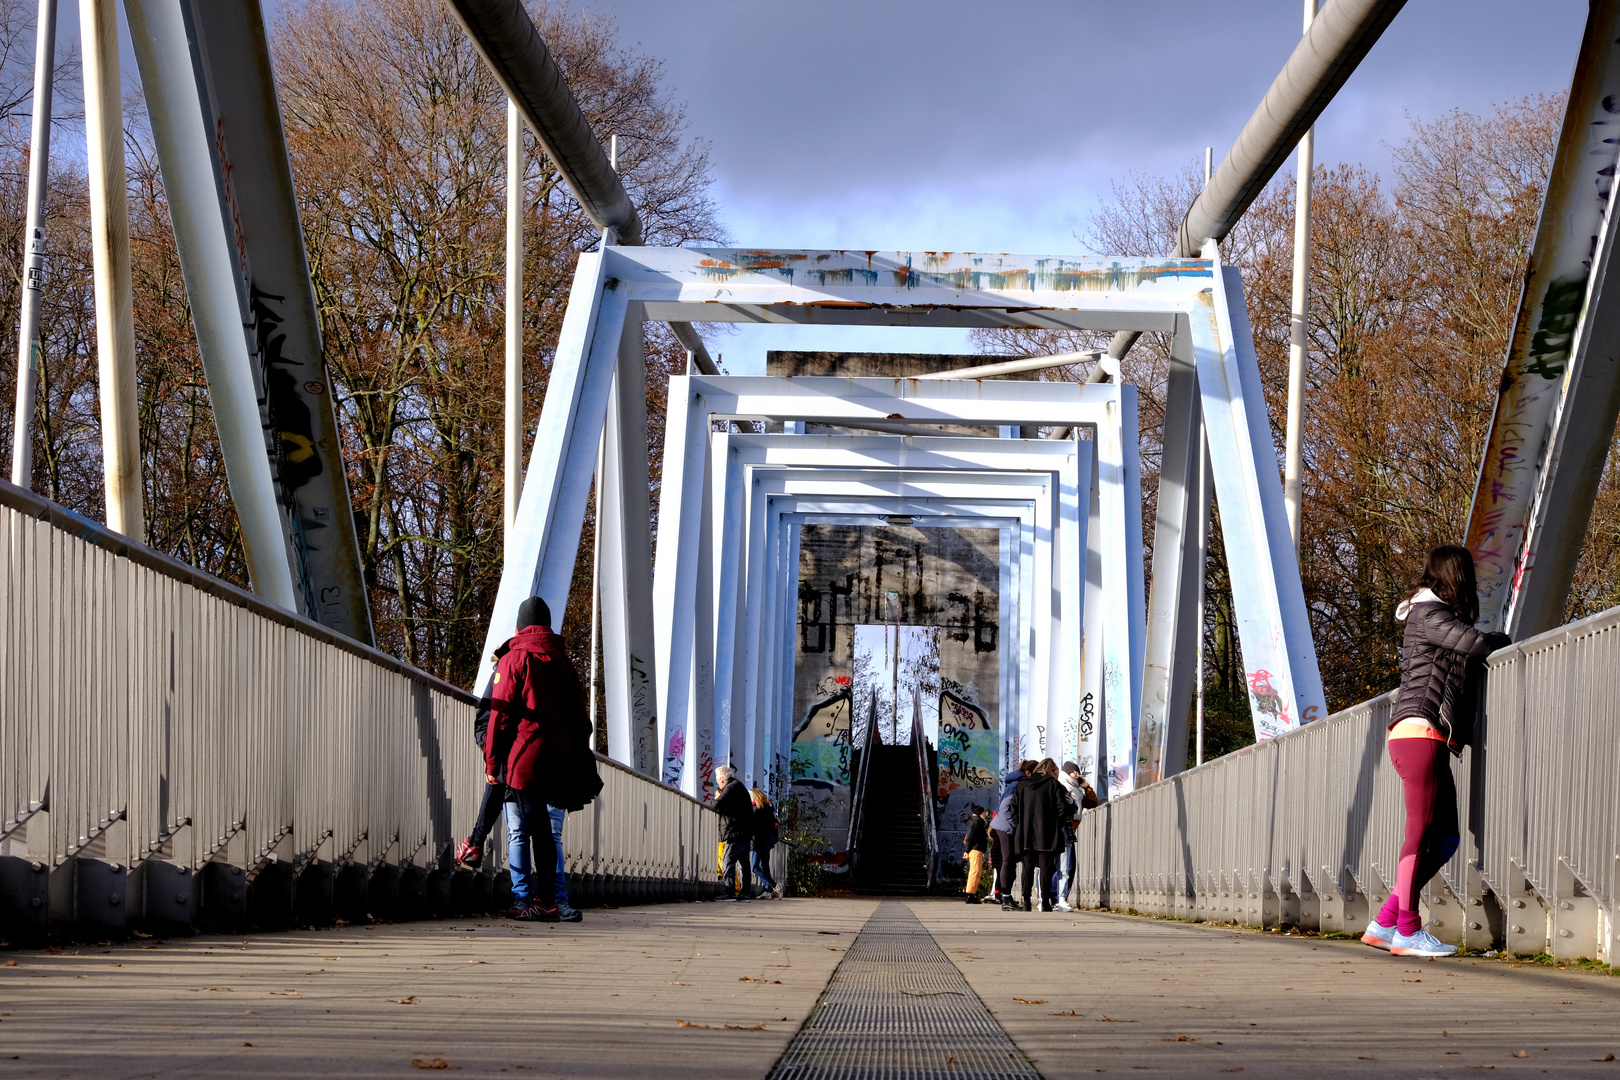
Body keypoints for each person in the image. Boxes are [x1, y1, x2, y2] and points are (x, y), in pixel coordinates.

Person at [1360, 545, 1508, 958]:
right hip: (1419, 734)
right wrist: (1501, 638)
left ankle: (1384, 922)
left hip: (1427, 737)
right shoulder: (1430, 614)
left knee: (1444, 839)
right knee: (1419, 838)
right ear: (1458, 576)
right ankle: (1408, 931)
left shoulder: (1429, 614)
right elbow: (1475, 644)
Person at [482, 596, 602, 921]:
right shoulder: (563, 661)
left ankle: (540, 901)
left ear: (520, 625)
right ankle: (548, 899)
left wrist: (493, 763)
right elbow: (581, 716)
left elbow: (500, 715)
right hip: (559, 759)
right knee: (545, 831)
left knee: (529, 828)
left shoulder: (513, 659)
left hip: (526, 758)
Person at [1011, 758, 1069, 912]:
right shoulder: (1053, 784)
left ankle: (1026, 902)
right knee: (1046, 868)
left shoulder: (1022, 785)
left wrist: (1021, 825)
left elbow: (1014, 809)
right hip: (1047, 834)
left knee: (1027, 868)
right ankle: (1045, 903)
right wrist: (1057, 826)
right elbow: (1062, 809)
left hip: (1026, 833)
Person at [989, 761, 1033, 911]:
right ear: (1029, 773)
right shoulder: (1018, 784)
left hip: (1003, 825)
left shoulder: (1014, 782)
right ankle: (1005, 897)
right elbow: (1006, 806)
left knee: (1011, 861)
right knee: (1008, 860)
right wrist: (1014, 825)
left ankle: (1006, 897)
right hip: (1006, 826)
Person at [712, 766, 753, 900]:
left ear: (722, 779)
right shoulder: (738, 786)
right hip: (744, 830)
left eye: (718, 780)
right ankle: (745, 892)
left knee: (727, 861)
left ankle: (729, 891)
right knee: (744, 863)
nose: (718, 782)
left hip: (736, 831)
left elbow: (717, 804)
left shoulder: (730, 787)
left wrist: (710, 802)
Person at [750, 788, 779, 898]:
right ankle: (768, 889)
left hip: (759, 841)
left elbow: (754, 825)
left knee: (755, 867)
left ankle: (773, 885)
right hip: (767, 840)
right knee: (764, 865)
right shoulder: (767, 809)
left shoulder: (755, 809)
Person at [962, 804, 991, 903]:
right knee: (975, 872)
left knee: (976, 872)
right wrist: (967, 850)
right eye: (983, 812)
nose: (985, 814)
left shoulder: (977, 822)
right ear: (979, 813)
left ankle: (971, 893)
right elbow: (970, 837)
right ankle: (970, 894)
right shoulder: (977, 823)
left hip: (976, 849)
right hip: (976, 849)